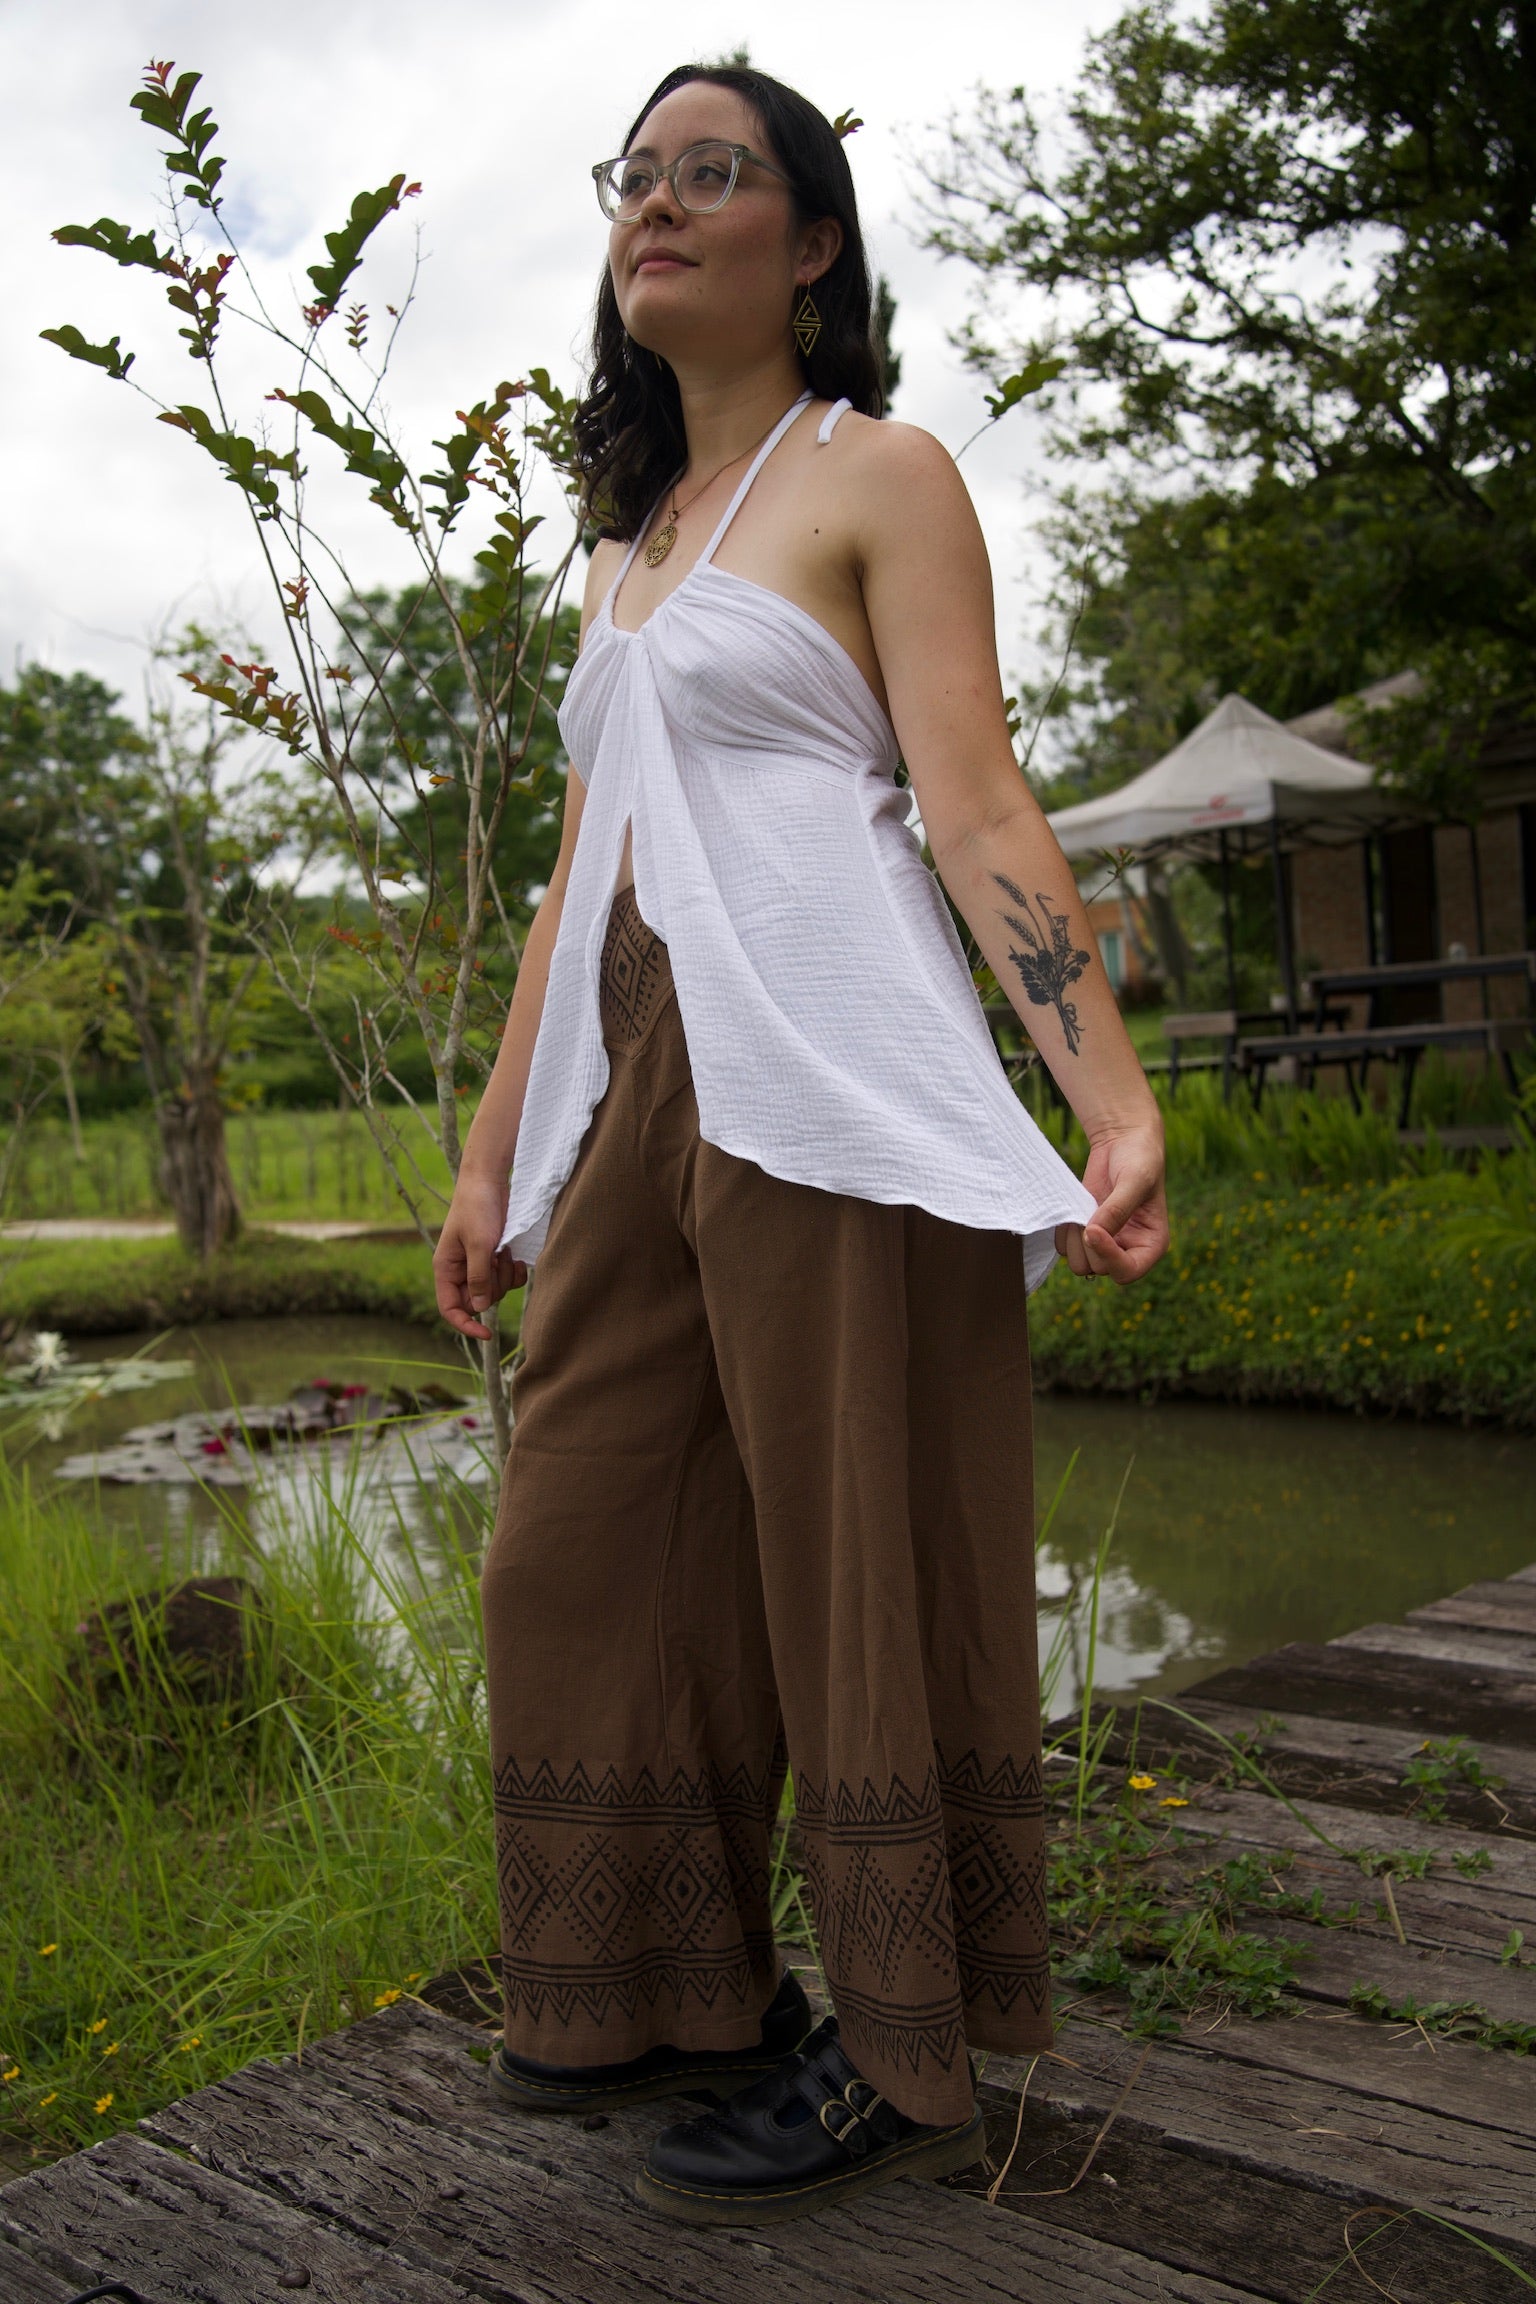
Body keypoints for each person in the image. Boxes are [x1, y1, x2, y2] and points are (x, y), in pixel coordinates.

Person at [433, 60, 1168, 2227]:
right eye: (635, 177)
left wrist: (1109, 1097)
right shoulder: (632, 542)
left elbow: (976, 801)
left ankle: (901, 2051)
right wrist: (494, 1156)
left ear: (812, 243)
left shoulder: (880, 474)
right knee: (580, 1533)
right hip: (638, 1079)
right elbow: (576, 880)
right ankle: (667, 1990)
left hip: (828, 1076)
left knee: (851, 1554)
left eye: (713, 173)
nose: (657, 206)